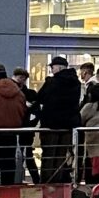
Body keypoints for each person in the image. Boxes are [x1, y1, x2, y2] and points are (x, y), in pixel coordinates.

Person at [34, 54, 81, 184]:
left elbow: (40, 97)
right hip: (68, 125)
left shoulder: (52, 82)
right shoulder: (75, 82)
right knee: (61, 156)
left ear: (59, 68)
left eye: (53, 67)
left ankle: (47, 183)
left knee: (49, 155)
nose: (52, 70)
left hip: (51, 125)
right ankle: (59, 182)